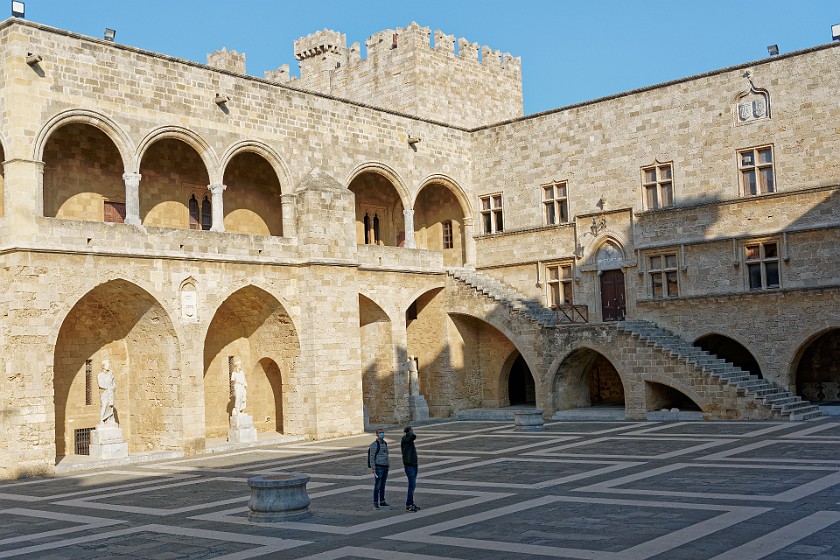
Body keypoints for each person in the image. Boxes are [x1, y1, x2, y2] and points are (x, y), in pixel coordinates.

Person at [369, 428, 390, 509]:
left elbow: (386, 454)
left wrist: (388, 464)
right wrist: (373, 468)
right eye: (380, 433)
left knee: (383, 485)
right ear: (377, 434)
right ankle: (375, 502)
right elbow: (372, 456)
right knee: (377, 485)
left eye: (383, 432)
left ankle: (382, 500)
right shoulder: (374, 444)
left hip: (385, 466)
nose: (382, 434)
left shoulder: (385, 443)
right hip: (378, 467)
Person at [401, 426, 420, 512]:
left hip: (413, 464)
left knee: (413, 485)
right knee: (412, 485)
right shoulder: (405, 439)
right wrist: (410, 432)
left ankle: (411, 503)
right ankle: (408, 505)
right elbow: (413, 436)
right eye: (412, 431)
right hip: (409, 465)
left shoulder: (408, 440)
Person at [98, 359, 116, 424]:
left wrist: (113, 387)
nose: (108, 366)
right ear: (103, 366)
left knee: (110, 406)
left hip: (110, 392)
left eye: (108, 364)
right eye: (107, 364)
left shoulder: (110, 374)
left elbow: (114, 384)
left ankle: (109, 419)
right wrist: (107, 386)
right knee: (104, 405)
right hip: (104, 393)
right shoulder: (100, 375)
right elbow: (100, 384)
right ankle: (102, 420)